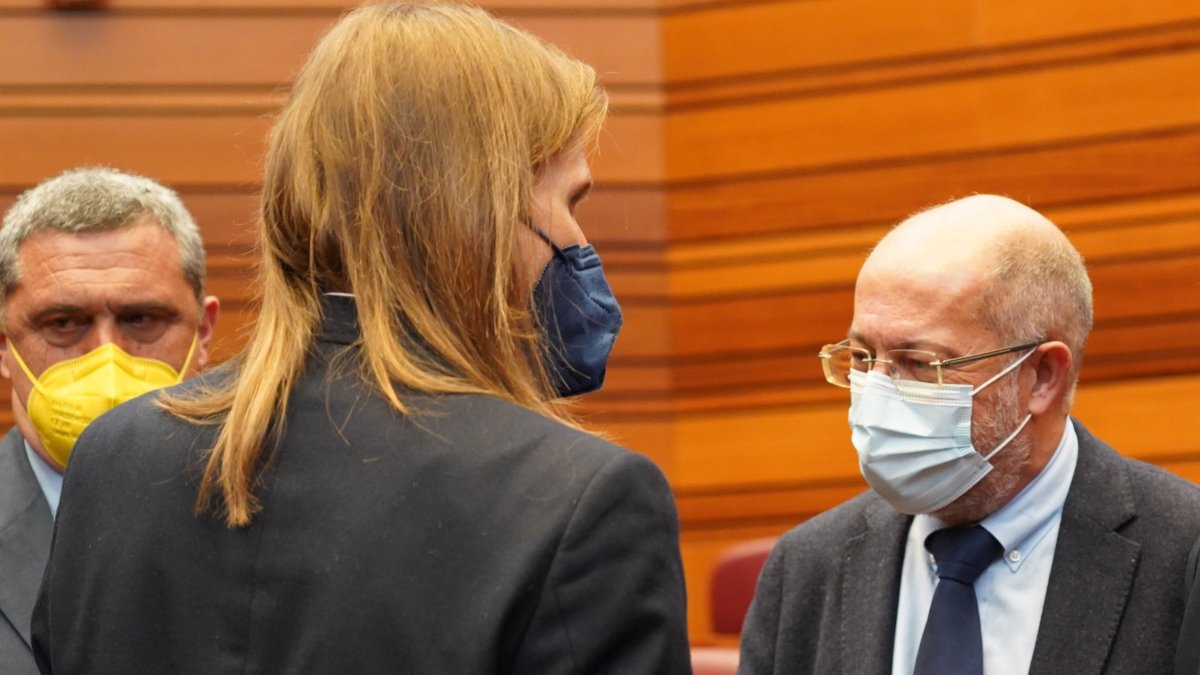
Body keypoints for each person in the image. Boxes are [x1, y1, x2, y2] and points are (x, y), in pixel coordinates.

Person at [32, 4, 691, 674]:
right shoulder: (582, 500)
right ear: (484, 211)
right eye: (569, 202)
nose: (579, 244)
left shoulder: (111, 460)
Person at [737, 194, 1200, 675]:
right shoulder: (806, 566)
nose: (876, 391)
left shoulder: (1184, 554)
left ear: (1041, 376)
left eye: (920, 364)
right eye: (860, 357)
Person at [0, 167, 219, 674]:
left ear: (204, 334)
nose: (108, 359)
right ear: (6, 346)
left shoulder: (288, 520)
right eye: (62, 323)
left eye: (141, 319)